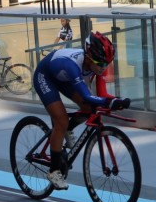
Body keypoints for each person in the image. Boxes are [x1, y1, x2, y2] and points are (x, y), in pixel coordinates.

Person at [32, 32, 131, 190]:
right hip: (46, 77)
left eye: (107, 64)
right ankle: (54, 171)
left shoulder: (98, 65)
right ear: (88, 57)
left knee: (89, 108)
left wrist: (117, 99)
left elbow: (102, 95)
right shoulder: (72, 65)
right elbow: (87, 95)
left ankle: (67, 130)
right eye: (100, 64)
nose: (103, 68)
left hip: (65, 79)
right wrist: (110, 102)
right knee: (61, 121)